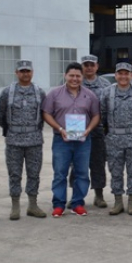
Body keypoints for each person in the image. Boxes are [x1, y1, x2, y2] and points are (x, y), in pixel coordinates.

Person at [42, 62, 101, 217]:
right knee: (60, 173)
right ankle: (59, 204)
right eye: (71, 75)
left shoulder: (90, 95)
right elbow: (46, 113)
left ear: (82, 77)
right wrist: (60, 129)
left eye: (78, 76)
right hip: (62, 140)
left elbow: (96, 115)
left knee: (82, 172)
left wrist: (88, 130)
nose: (75, 79)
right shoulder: (54, 94)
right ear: (65, 76)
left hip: (83, 141)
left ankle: (77, 203)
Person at [0, 60, 47, 220]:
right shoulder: (7, 92)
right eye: (22, 71)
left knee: (34, 174)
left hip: (34, 141)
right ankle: (15, 205)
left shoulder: (39, 92)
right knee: (14, 174)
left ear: (32, 72)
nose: (25, 74)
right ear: (16, 73)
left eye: (28, 71)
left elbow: (44, 115)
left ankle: (32, 204)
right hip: (14, 141)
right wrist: (10, 129)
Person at [100, 62, 132, 216]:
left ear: (131, 75)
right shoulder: (107, 93)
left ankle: (131, 201)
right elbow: (102, 115)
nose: (123, 76)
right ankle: (118, 201)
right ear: (116, 75)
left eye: (126, 73)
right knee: (116, 172)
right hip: (114, 138)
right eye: (120, 73)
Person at [80, 55, 112, 209]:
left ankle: (99, 195)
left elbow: (109, 107)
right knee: (77, 164)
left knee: (98, 163)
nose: (89, 68)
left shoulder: (105, 85)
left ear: (97, 66)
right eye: (86, 65)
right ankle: (77, 195)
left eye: (91, 65)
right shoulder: (75, 82)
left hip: (99, 131)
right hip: (78, 131)